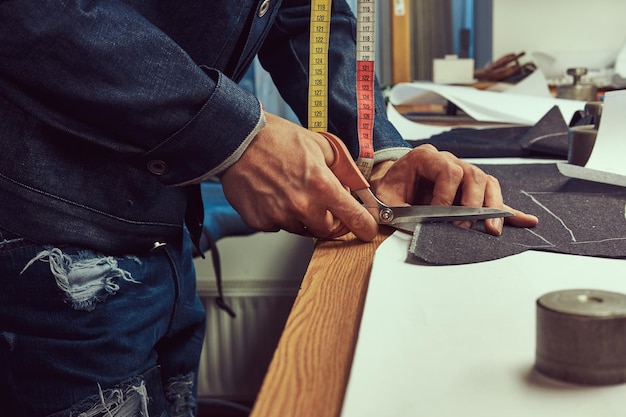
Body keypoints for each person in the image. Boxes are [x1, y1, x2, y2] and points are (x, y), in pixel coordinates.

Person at [0, 0, 538, 416]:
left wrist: (374, 154)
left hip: (162, 224)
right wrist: (238, 135)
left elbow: (308, 16)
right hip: (41, 241)